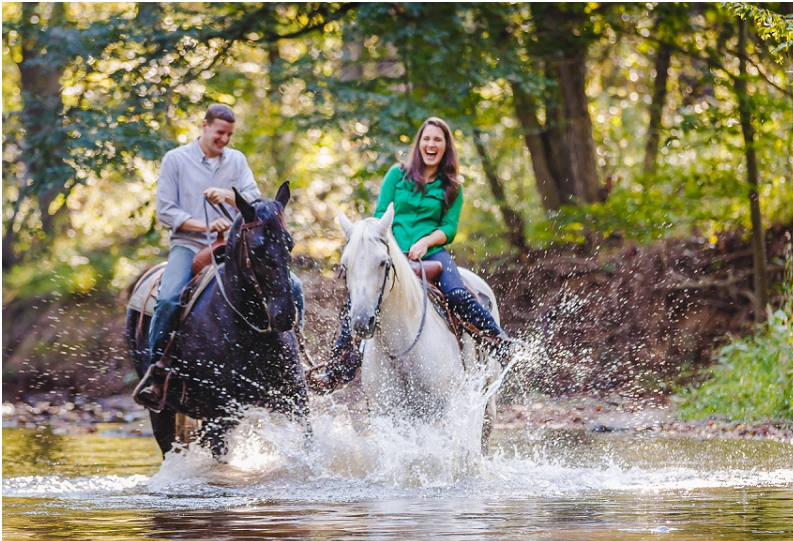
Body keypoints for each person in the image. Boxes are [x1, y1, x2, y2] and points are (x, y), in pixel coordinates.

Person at [133, 103, 305, 411]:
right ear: (204, 126)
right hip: (188, 244)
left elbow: (255, 206)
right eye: (219, 133)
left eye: (229, 134)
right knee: (170, 297)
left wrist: (228, 196)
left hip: (233, 246)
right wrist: (206, 225)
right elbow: (166, 212)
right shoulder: (176, 160)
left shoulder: (236, 161)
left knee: (293, 286)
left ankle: (296, 357)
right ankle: (158, 369)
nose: (224, 139)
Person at [323, 116, 517, 387]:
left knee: (458, 293)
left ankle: (500, 343)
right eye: (427, 138)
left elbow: (449, 228)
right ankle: (339, 366)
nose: (431, 144)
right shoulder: (396, 175)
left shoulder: (452, 186)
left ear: (445, 146)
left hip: (433, 253)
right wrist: (389, 248)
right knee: (359, 299)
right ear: (419, 143)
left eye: (438, 139)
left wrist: (426, 242)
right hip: (393, 253)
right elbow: (381, 215)